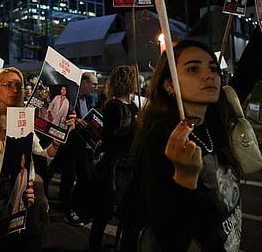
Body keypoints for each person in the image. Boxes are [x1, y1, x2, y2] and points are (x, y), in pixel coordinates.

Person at [120, 28, 262, 252]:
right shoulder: (159, 142)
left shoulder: (215, 119)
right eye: (193, 69)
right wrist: (184, 177)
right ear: (169, 84)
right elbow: (171, 239)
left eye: (213, 68)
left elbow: (250, 66)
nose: (209, 75)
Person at [0, 67, 65, 251]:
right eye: (8, 85)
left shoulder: (23, 119)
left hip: (21, 202)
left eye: (18, 86)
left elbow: (42, 155)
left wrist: (58, 142)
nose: (14, 90)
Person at [89, 65, 138, 251]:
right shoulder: (112, 106)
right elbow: (108, 137)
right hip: (114, 166)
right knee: (104, 210)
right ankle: (94, 245)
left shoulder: (133, 106)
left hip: (129, 164)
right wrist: (130, 130)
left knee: (128, 211)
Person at [50, 71, 98, 226]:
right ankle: (65, 209)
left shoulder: (89, 99)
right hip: (68, 145)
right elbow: (62, 116)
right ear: (83, 83)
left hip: (84, 146)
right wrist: (75, 120)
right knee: (68, 176)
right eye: (93, 84)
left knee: (84, 177)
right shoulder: (72, 98)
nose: (95, 87)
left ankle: (76, 207)